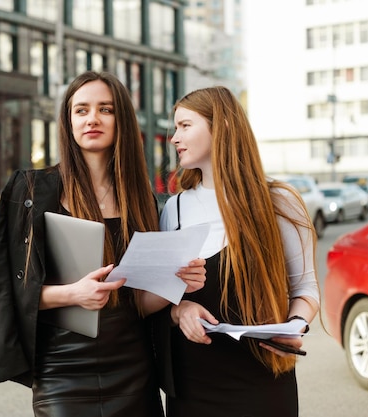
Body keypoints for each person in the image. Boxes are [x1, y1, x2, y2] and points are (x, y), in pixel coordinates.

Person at [0, 71, 206, 417]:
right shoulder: (32, 190)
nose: (92, 118)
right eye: (81, 110)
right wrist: (72, 294)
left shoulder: (141, 200)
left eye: (105, 109)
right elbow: (5, 293)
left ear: (120, 119)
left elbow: (135, 301)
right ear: (68, 121)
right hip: (62, 369)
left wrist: (177, 284)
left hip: (133, 368)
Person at [154, 86, 320, 417]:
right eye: (176, 127)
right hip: (192, 386)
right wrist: (180, 310)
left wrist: (296, 325)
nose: (174, 137)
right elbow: (159, 297)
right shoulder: (174, 209)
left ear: (223, 127)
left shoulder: (279, 202)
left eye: (186, 126)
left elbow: (306, 289)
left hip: (264, 381)